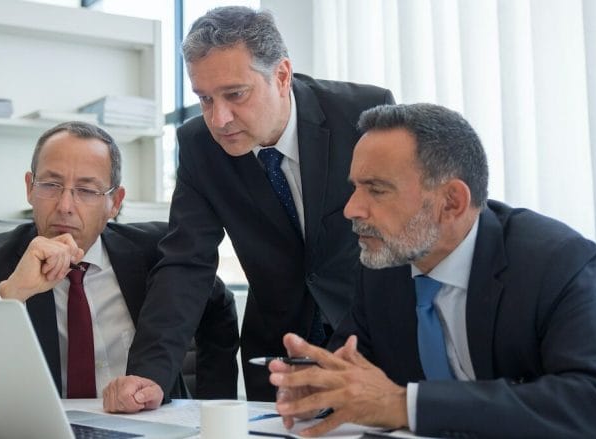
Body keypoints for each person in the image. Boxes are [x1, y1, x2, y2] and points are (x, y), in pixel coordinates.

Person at [267, 103, 596, 438]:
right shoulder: (384, 267)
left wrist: (403, 404)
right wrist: (317, 386)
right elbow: (356, 375)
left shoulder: (552, 262)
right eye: (356, 188)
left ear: (452, 202)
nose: (352, 209)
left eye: (376, 190)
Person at [113, 5, 396, 407]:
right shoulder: (199, 146)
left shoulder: (362, 115)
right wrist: (149, 373)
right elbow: (185, 263)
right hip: (277, 352)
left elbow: (402, 236)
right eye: (205, 99)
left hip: (371, 340)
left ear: (281, 76)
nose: (219, 118)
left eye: (235, 94)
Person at [0, 121, 239, 409]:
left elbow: (218, 308)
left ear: (114, 202)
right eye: (50, 185)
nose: (64, 206)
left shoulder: (157, 253)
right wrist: (12, 293)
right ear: (30, 188)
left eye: (87, 191)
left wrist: (209, 408)